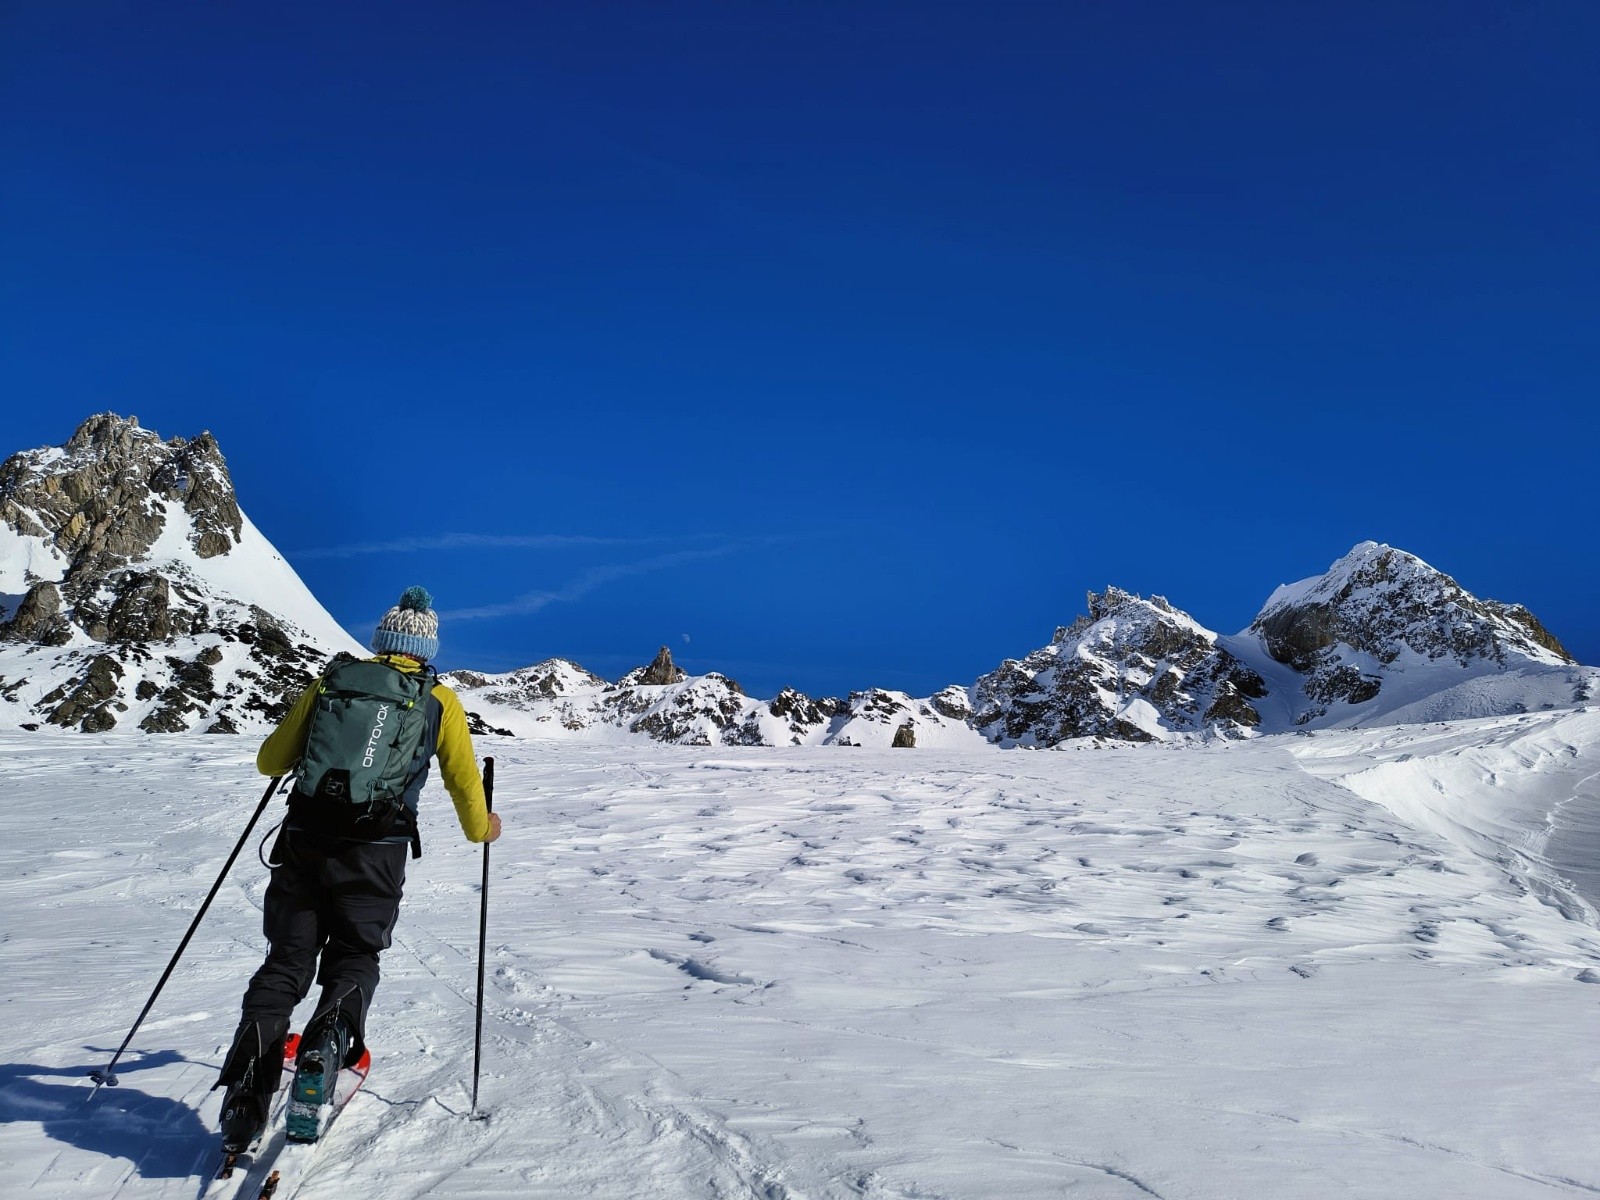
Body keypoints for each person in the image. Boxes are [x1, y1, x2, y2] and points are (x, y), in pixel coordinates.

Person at [215, 586, 502, 1148]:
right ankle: (327, 1045)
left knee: (286, 962)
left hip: (303, 842)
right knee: (355, 953)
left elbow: (270, 761)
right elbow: (462, 781)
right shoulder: (438, 700)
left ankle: (248, 1086)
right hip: (376, 852)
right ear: (426, 647)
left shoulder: (332, 683)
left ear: (380, 640)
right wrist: (481, 827)